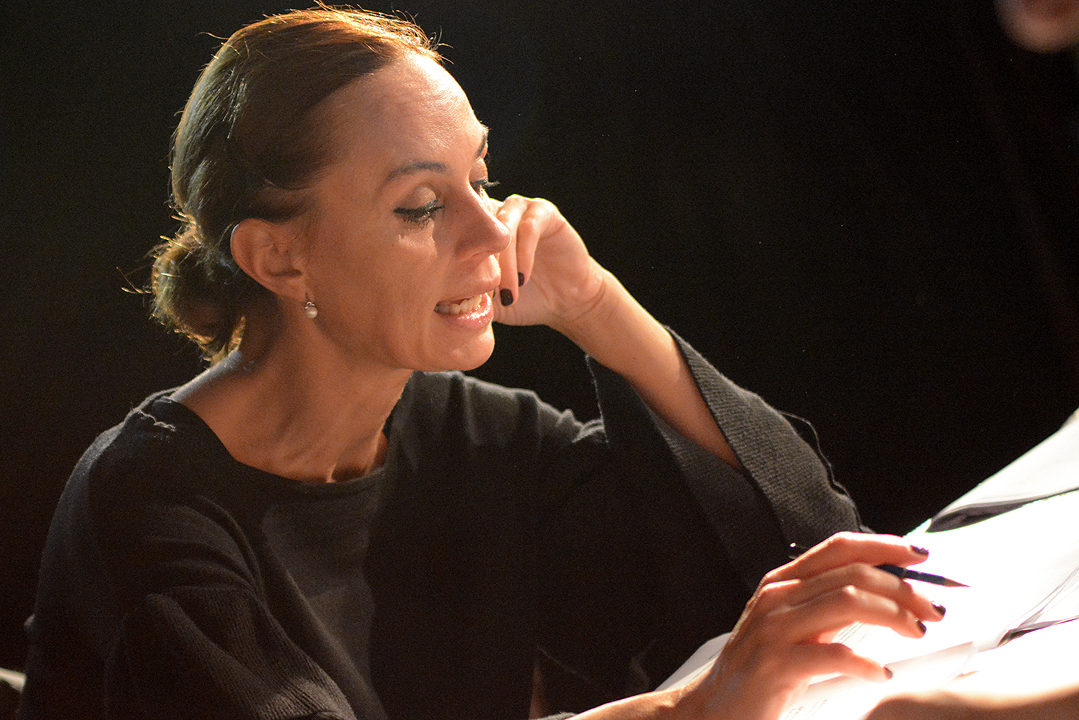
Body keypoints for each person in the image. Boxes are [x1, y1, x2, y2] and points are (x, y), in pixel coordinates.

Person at [17, 7, 947, 720]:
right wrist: (691, 710)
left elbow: (803, 542)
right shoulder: (146, 506)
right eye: (422, 205)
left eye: (480, 178)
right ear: (277, 257)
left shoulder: (461, 430)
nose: (492, 232)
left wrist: (597, 307)